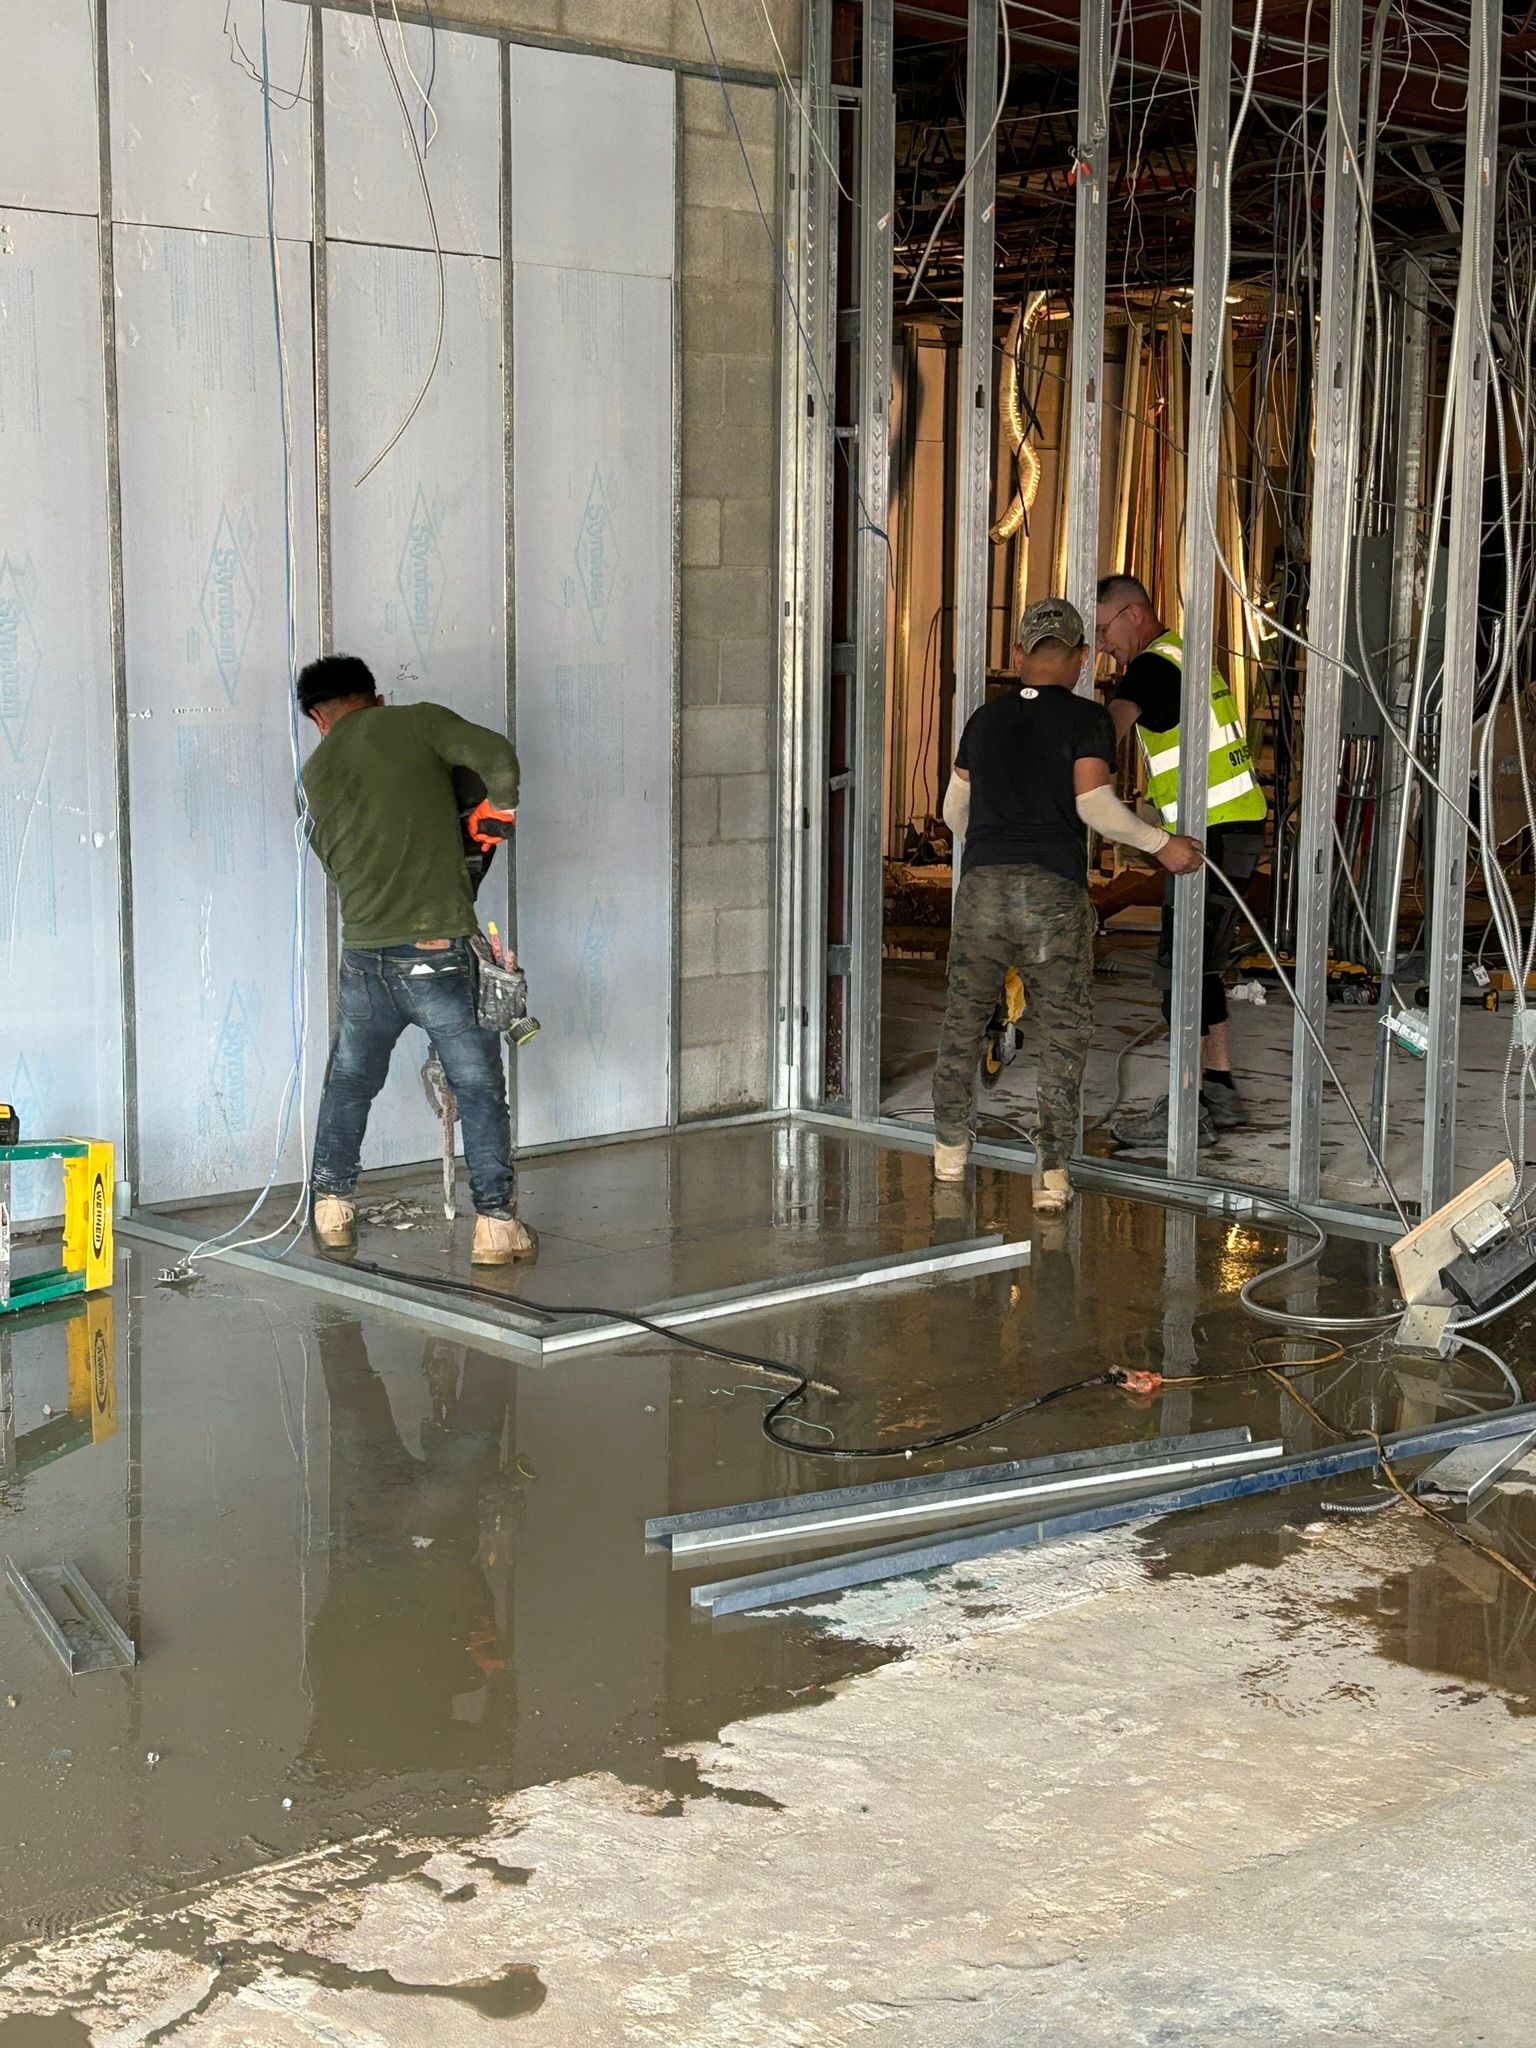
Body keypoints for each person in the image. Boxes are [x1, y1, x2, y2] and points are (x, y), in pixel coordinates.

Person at [932, 599, 1202, 1213]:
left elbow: (954, 812)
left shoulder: (984, 719)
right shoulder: (1086, 719)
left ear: (1020, 656)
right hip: (1051, 893)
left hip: (981, 891)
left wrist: (997, 840)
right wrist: (1165, 847)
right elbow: (1094, 808)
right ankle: (1051, 1176)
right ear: (1081, 659)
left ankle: (949, 1153)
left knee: (963, 1020)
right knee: (1062, 1032)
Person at [297, 654, 534, 1264]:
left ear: (318, 721)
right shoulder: (418, 722)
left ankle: (331, 1208)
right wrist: (494, 812)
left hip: (364, 959)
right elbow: (499, 759)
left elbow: (326, 849)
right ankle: (496, 1226)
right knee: (478, 1087)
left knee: (349, 1082)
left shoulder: (315, 772)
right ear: (376, 698)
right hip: (437, 957)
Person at [1094, 573, 1267, 1145]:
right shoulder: (1186, 653)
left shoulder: (1150, 665)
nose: (1102, 648)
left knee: (1180, 974)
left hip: (1210, 835)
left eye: (1103, 630)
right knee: (1205, 967)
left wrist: (1074, 775)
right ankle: (1218, 1087)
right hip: (1232, 826)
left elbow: (1108, 732)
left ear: (1134, 614)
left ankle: (1188, 1105)